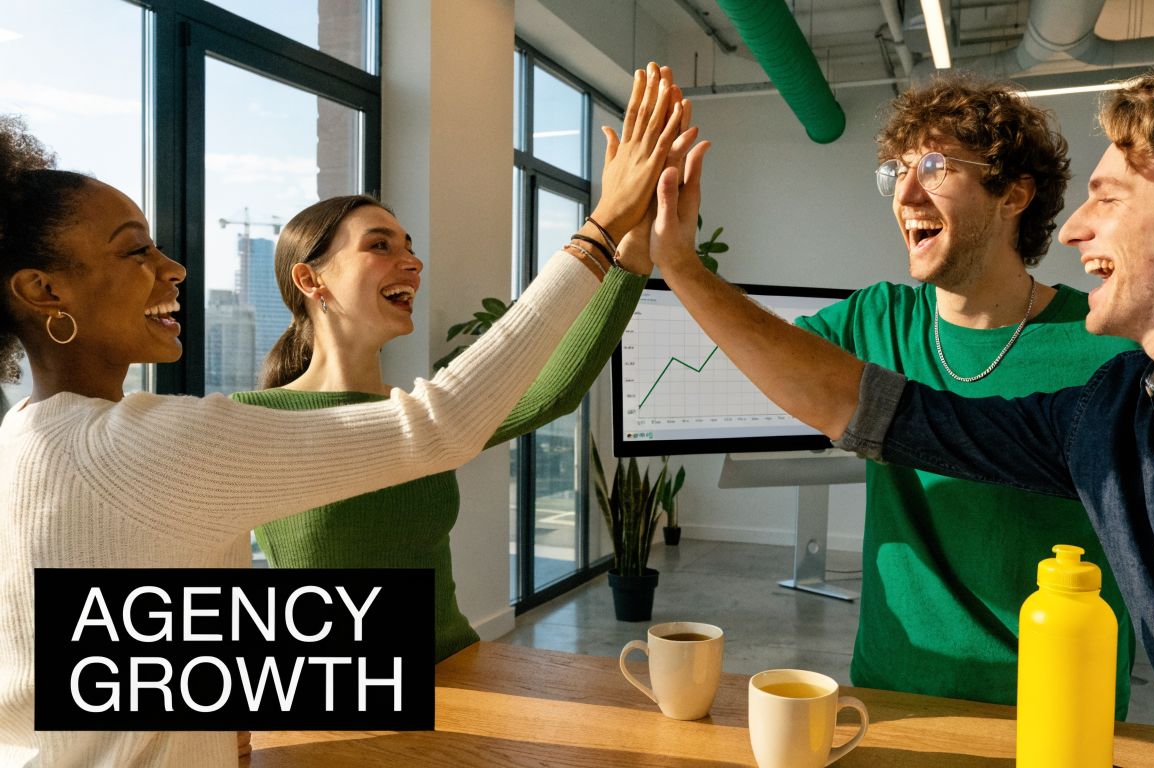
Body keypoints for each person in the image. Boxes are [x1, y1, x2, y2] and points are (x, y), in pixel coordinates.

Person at [0, 62, 689, 767]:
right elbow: (442, 423)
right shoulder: (167, 441)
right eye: (136, 249)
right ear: (43, 290)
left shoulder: (25, 441)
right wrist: (604, 232)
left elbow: (101, 640)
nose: (173, 266)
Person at [649, 70, 1154, 767]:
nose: (1074, 227)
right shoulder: (1111, 416)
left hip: (1057, 724)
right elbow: (909, 420)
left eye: (1109, 198)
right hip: (904, 707)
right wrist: (672, 265)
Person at [228, 79, 691, 663]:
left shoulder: (423, 416)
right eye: (379, 245)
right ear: (309, 279)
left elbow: (553, 392)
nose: (412, 261)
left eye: (409, 245)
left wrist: (634, 256)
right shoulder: (254, 421)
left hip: (457, 668)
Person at [791, 75, 1135, 711]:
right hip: (892, 692)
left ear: (1014, 195)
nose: (905, 192)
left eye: (932, 166)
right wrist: (666, 260)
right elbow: (754, 357)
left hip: (1058, 708)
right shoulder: (876, 320)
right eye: (896, 171)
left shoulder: (1109, 346)